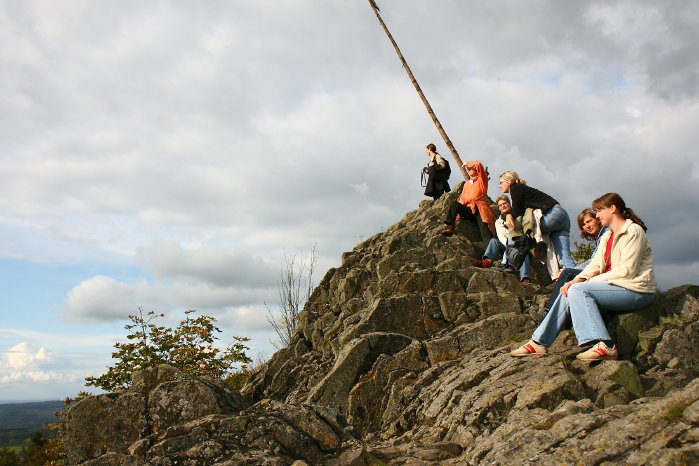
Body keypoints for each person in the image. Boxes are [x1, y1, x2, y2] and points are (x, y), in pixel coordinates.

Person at [510, 193, 656, 361]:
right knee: (570, 290)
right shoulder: (608, 235)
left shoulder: (632, 231)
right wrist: (576, 280)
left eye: (600, 211)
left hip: (637, 290)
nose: (598, 215)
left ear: (613, 208)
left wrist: (585, 283)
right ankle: (539, 342)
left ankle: (604, 345)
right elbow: (595, 265)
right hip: (617, 286)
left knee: (578, 290)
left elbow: (627, 271)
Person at [498, 171, 577, 269]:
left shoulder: (515, 188)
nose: (499, 186)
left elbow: (517, 213)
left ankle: (507, 263)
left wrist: (507, 215)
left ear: (509, 181)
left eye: (501, 182)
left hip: (551, 215)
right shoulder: (522, 188)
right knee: (564, 258)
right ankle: (574, 278)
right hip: (562, 216)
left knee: (514, 228)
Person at [544, 208, 609, 313]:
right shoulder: (600, 238)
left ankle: (550, 311)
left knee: (567, 273)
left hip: (603, 272)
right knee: (568, 273)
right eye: (583, 224)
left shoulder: (606, 233)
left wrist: (570, 270)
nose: (587, 226)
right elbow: (592, 261)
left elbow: (595, 262)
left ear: (597, 219)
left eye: (589, 221)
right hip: (598, 270)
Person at [474, 195, 531, 284]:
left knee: (522, 250)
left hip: (520, 244)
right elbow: (501, 238)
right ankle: (487, 261)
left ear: (509, 204)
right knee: (494, 241)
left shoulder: (518, 215)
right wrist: (509, 247)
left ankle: (525, 277)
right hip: (506, 247)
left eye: (505, 203)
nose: (503, 206)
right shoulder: (498, 222)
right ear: (499, 208)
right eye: (500, 205)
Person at [442, 160, 495, 240]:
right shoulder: (467, 184)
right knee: (454, 203)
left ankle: (491, 249)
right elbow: (462, 199)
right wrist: (458, 214)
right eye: (468, 169)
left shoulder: (482, 180)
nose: (468, 169)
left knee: (486, 232)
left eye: (470, 168)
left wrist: (467, 163)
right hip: (469, 209)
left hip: (480, 210)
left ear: (476, 169)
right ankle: (450, 226)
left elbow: (478, 164)